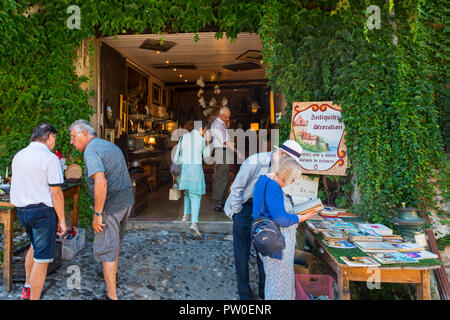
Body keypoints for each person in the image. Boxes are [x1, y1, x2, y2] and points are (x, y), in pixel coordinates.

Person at [223, 139, 303, 300]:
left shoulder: (282, 167)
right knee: (242, 251)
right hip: (245, 206)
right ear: (281, 154)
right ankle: (244, 294)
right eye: (288, 161)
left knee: (265, 247)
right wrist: (238, 212)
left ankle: (264, 291)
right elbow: (237, 188)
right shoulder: (254, 161)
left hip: (264, 211)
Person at [68, 119, 134, 300]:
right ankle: (114, 275)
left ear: (84, 134)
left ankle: (112, 296)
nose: (72, 142)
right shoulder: (108, 145)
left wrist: (97, 214)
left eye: (73, 137)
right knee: (114, 243)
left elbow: (101, 182)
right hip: (126, 200)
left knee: (107, 251)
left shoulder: (91, 151)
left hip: (111, 206)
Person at [10, 123, 67, 300]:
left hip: (22, 212)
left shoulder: (19, 155)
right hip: (42, 212)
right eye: (54, 139)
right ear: (49, 137)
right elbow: (56, 193)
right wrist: (62, 221)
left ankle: (27, 286)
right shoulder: (49, 158)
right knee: (42, 261)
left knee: (34, 247)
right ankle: (33, 297)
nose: (54, 143)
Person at [252, 156, 318, 300]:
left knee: (276, 283)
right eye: (293, 178)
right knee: (279, 287)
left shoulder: (264, 180)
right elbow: (280, 218)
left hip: (269, 241)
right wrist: (303, 217)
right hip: (278, 245)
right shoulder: (273, 186)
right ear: (287, 174)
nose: (293, 181)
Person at [175, 120, 211, 238]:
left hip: (183, 171)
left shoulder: (184, 137)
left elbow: (176, 155)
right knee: (195, 196)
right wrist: (208, 141)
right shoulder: (201, 140)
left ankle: (185, 216)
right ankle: (194, 223)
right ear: (202, 130)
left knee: (186, 193)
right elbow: (206, 157)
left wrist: (174, 173)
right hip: (195, 171)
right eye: (205, 131)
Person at [210, 107, 243, 212]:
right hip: (221, 151)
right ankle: (217, 203)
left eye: (229, 117)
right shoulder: (217, 125)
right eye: (226, 117)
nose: (228, 119)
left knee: (225, 177)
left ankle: (221, 201)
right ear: (220, 115)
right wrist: (237, 152)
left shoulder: (221, 123)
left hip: (223, 151)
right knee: (221, 178)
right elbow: (226, 142)